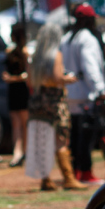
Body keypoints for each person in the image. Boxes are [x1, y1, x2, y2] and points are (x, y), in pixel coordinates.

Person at [25, 22, 84, 191]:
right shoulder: (55, 55)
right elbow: (57, 78)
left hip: (37, 100)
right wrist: (69, 79)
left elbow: (30, 81)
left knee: (42, 138)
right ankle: (68, 178)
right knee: (60, 139)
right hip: (54, 100)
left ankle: (46, 179)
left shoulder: (34, 56)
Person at [61, 4, 105, 183]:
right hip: (84, 92)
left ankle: (74, 171)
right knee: (86, 135)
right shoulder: (87, 38)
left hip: (70, 92)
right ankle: (85, 171)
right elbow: (91, 67)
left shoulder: (66, 38)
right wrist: (101, 90)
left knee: (73, 135)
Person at [3, 23, 30, 168]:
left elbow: (28, 74)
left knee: (24, 123)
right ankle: (17, 152)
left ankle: (24, 151)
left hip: (21, 89)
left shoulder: (25, 51)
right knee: (16, 124)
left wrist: (13, 78)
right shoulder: (9, 50)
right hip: (13, 90)